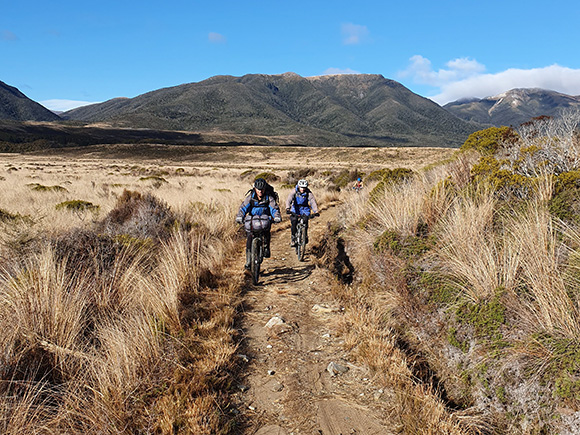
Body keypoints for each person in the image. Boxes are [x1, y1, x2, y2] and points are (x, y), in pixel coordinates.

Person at [236, 178, 281, 270]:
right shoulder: (250, 197)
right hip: (253, 220)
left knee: (267, 232)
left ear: (265, 188)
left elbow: (274, 208)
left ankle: (266, 247)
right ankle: (248, 261)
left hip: (264, 219)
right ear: (255, 189)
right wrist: (240, 216)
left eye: (262, 189)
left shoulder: (269, 198)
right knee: (249, 239)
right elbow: (243, 207)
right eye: (258, 189)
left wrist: (276, 216)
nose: (260, 191)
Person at [285, 179, 319, 247]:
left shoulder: (308, 193)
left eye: (304, 187)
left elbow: (312, 201)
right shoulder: (294, 191)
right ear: (298, 186)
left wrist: (316, 211)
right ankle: (293, 237)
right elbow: (289, 199)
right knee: (294, 221)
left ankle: (305, 235)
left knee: (305, 221)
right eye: (301, 187)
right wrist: (288, 208)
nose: (302, 189)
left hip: (305, 209)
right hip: (295, 208)